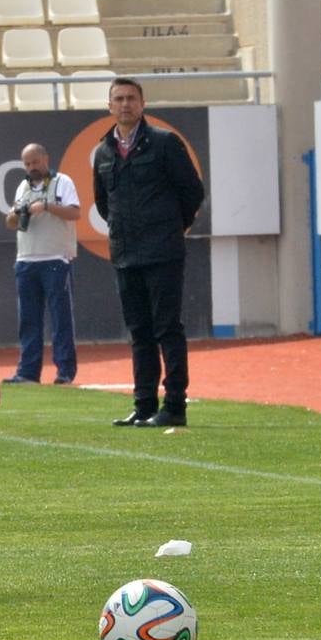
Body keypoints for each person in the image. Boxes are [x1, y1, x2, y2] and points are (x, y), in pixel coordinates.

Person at [91, 77, 205, 428]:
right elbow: (103, 203)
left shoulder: (164, 142)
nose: (125, 104)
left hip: (163, 250)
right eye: (118, 99)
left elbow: (193, 192)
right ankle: (143, 404)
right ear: (109, 106)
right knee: (138, 330)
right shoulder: (103, 150)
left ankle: (174, 405)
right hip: (125, 252)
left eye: (131, 98)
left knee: (167, 327)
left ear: (142, 104)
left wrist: (171, 227)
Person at [4, 143, 80, 385]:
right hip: (26, 259)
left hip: (56, 258)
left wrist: (46, 206)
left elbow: (75, 213)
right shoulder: (23, 186)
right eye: (27, 164)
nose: (32, 168)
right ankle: (28, 371)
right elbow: (10, 222)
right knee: (28, 319)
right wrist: (18, 212)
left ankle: (65, 371)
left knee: (61, 318)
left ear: (45, 159)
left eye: (35, 162)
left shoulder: (62, 182)